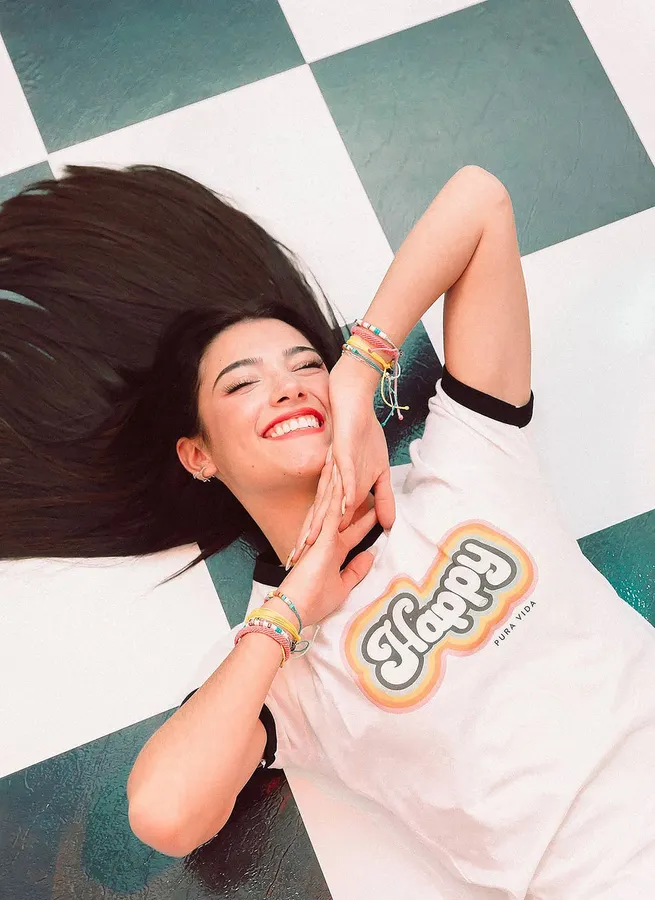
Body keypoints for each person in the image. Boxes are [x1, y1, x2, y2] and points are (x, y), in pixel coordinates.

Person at [1, 163, 653, 899]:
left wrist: (358, 368)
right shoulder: (282, 667)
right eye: (241, 383)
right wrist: (290, 611)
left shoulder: (470, 459)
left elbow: (479, 199)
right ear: (198, 455)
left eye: (304, 365)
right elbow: (164, 814)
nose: (286, 387)